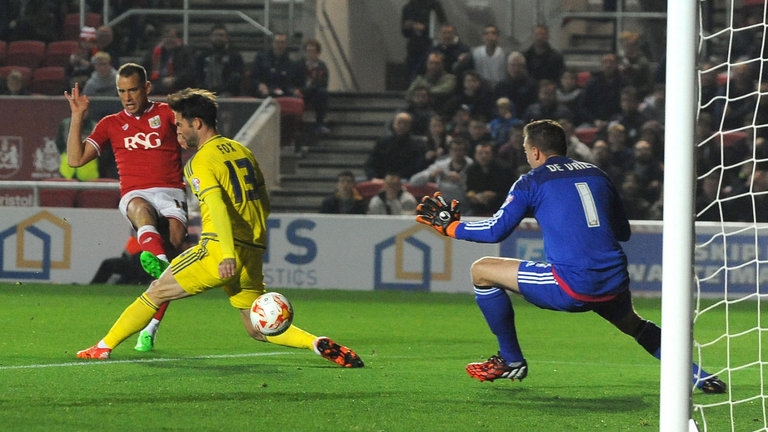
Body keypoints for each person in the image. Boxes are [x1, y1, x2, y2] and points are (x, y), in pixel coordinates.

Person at [413, 119, 726, 394]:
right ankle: (700, 375)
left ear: (535, 151)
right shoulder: (598, 174)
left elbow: (496, 231)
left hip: (573, 284)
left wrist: (451, 228)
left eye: (526, 150)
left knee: (481, 270)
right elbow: (623, 232)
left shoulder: (531, 181)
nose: (526, 155)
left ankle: (510, 360)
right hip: (614, 280)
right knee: (635, 325)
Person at [75, 88, 364, 369]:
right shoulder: (242, 151)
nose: (176, 132)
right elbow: (262, 201)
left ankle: (102, 347)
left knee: (156, 291)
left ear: (196, 123)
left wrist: (226, 253)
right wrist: (254, 243)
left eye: (179, 125)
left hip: (218, 250)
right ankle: (317, 343)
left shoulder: (200, 161)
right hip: (250, 250)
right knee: (256, 327)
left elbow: (216, 207)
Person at [64, 63, 188, 353]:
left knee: (167, 273)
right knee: (140, 208)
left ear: (146, 88)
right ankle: (155, 254)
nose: (128, 97)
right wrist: (77, 116)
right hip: (135, 192)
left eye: (133, 90)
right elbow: (75, 159)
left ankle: (150, 328)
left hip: (172, 193)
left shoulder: (167, 114)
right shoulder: (110, 123)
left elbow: (191, 136)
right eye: (122, 91)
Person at [409, 137, 472, 211]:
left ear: (465, 151)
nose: (457, 153)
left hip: (464, 204)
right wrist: (431, 175)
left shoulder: (471, 165)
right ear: (450, 151)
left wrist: (461, 182)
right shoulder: (442, 165)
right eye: (454, 150)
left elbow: (474, 191)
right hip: (443, 203)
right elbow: (413, 181)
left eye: (460, 150)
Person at [364, 112, 426, 181]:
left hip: (406, 180)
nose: (402, 126)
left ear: (410, 126)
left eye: (405, 123)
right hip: (382, 180)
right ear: (394, 124)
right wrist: (373, 178)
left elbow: (417, 167)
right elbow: (371, 164)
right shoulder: (383, 142)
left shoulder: (417, 144)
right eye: (399, 123)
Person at [142, 24, 196, 94]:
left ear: (178, 39)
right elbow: (144, 70)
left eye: (172, 37)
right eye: (166, 37)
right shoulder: (154, 52)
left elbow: (190, 71)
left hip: (179, 88)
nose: (168, 40)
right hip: (156, 87)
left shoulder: (186, 52)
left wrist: (175, 79)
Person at [464, 142, 515, 216]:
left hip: (501, 207)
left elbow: (511, 191)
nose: (483, 156)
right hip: (477, 208)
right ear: (475, 155)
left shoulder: (504, 169)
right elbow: (469, 190)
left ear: (492, 155)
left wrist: (495, 195)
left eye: (487, 153)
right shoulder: (471, 170)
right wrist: (474, 196)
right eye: (480, 153)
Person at [195, 23, 245, 97]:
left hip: (228, 93)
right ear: (210, 37)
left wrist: (219, 90)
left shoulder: (235, 56)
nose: (218, 38)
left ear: (227, 38)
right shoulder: (202, 56)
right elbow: (197, 76)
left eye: (221, 35)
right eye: (215, 35)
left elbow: (235, 79)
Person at [401, 0, 446, 81]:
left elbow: (442, 24)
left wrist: (424, 28)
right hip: (414, 47)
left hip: (430, 45)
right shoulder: (408, 7)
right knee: (412, 75)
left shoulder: (434, 4)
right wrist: (409, 27)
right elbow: (405, 33)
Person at [250, 32, 301, 98]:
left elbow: (289, 83)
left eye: (282, 43)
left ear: (286, 45)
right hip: (263, 90)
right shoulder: (261, 58)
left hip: (280, 91)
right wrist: (260, 85)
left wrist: (294, 91)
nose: (280, 45)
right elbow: (254, 77)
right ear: (273, 43)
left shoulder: (290, 63)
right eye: (277, 42)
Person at [406, 51, 456, 117]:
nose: (433, 66)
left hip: (441, 112)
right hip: (420, 111)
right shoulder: (420, 78)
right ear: (427, 64)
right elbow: (409, 94)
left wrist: (423, 92)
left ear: (442, 65)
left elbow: (446, 90)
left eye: (437, 63)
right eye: (431, 63)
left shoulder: (450, 78)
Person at [298, 39, 331, 134]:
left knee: (322, 94)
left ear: (318, 53)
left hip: (314, 94)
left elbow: (323, 83)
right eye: (308, 51)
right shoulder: (299, 65)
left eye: (313, 51)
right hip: (301, 92)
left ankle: (319, 124)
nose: (310, 54)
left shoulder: (322, 66)